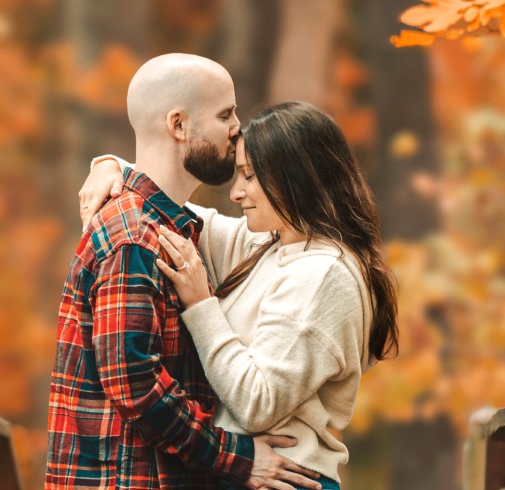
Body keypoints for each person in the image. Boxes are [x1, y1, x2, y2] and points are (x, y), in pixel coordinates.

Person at [79, 101, 400, 490]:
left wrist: (201, 305)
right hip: (247, 475)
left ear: (294, 178)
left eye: (249, 176)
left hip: (286, 477)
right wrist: (110, 166)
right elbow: (168, 206)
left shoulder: (324, 275)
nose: (236, 192)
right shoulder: (270, 245)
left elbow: (256, 405)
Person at [47, 54, 323, 490]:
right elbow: (134, 384)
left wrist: (109, 162)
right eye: (225, 114)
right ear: (178, 125)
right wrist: (237, 458)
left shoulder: (175, 228)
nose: (238, 128)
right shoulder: (135, 237)